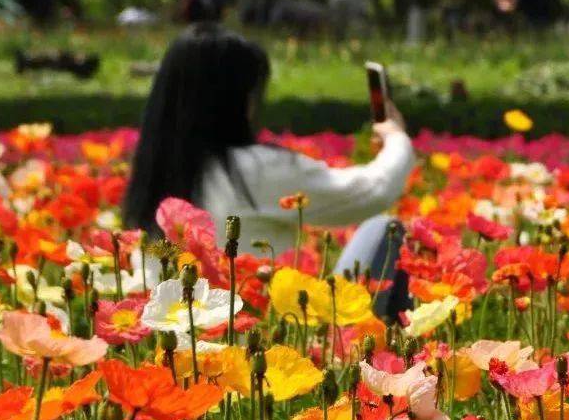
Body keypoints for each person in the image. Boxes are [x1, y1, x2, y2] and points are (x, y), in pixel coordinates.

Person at [123, 24, 415, 313]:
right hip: (265, 336)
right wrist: (396, 137)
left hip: (178, 342)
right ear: (234, 99)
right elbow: (374, 191)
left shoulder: (153, 180)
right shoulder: (255, 171)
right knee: (385, 229)